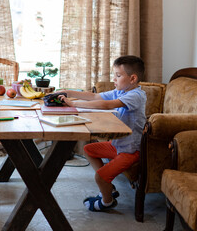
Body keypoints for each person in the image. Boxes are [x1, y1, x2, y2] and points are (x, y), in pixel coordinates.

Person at [57, 55, 146, 212]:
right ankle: (109, 188)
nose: (114, 79)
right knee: (89, 150)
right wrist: (68, 92)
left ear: (132, 78)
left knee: (100, 177)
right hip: (118, 145)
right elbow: (95, 96)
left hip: (131, 151)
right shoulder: (121, 91)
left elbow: (106, 104)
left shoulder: (136, 95)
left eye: (118, 76)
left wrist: (74, 103)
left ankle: (107, 202)